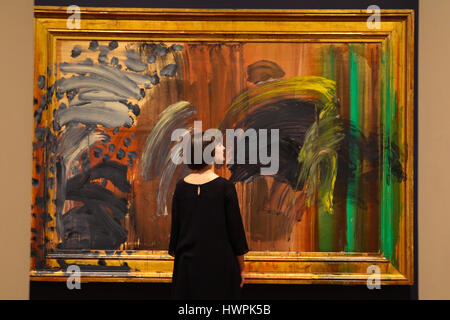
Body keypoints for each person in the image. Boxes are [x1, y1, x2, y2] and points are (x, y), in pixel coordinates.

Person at [168, 133, 249, 300]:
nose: (223, 148)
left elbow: (175, 235)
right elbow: (236, 235)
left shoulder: (180, 188)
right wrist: (241, 268)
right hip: (221, 269)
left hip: (187, 270)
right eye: (218, 145)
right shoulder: (225, 188)